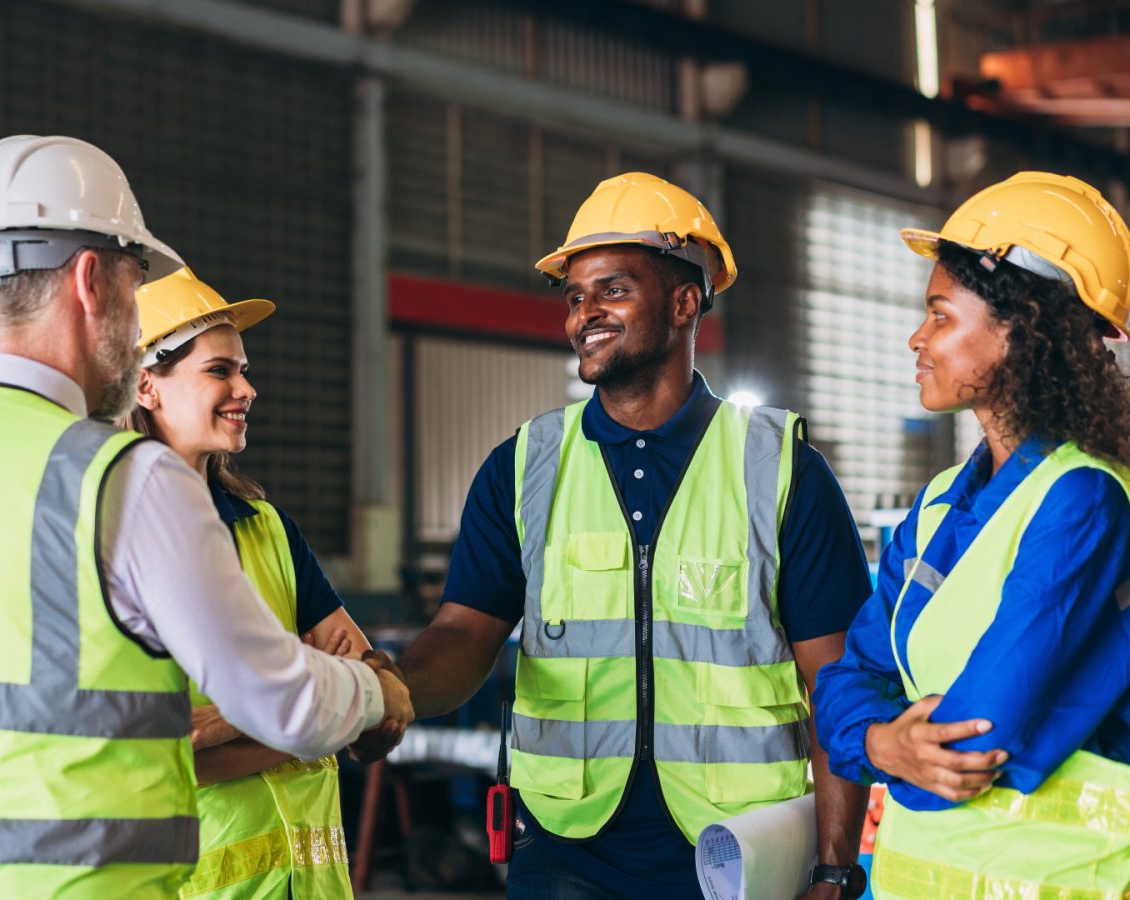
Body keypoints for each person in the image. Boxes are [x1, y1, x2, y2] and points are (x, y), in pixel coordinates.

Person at [0, 135, 411, 898]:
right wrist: (376, 694)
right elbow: (284, 701)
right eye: (134, 286)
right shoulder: (120, 478)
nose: (133, 319)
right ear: (91, 282)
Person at [397, 172, 873, 899]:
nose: (584, 312)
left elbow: (836, 683)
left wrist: (836, 867)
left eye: (612, 289)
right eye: (575, 295)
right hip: (564, 849)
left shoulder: (781, 472)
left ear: (686, 303)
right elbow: (462, 634)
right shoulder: (524, 467)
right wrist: (381, 691)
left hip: (741, 854)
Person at [813, 172, 1130, 898]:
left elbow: (973, 745)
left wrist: (874, 747)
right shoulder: (934, 507)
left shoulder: (1083, 502)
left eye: (941, 317)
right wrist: (879, 740)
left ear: (1020, 329)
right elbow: (843, 682)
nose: (916, 338)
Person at [127, 266, 369, 899]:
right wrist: (303, 694)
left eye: (244, 370)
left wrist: (232, 721)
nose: (246, 389)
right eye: (219, 371)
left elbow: (364, 687)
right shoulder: (110, 537)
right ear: (147, 386)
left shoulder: (267, 527)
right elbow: (144, 748)